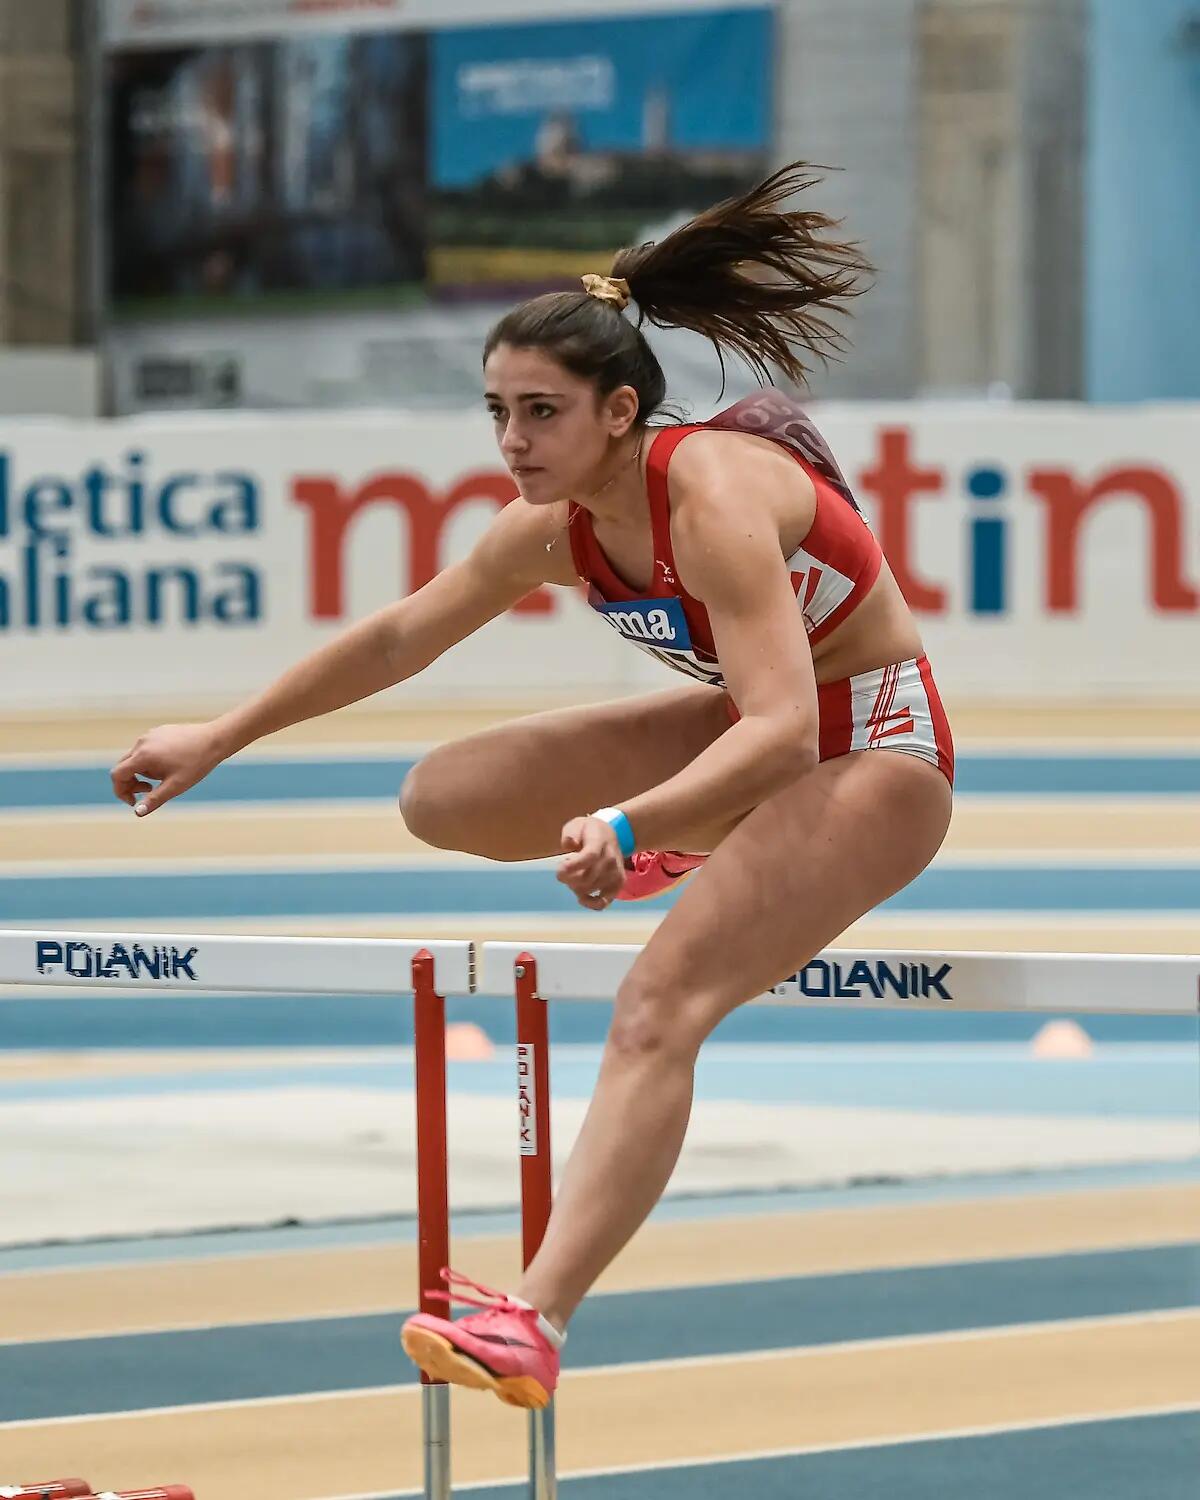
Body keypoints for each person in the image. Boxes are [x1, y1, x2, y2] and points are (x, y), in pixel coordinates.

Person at [110, 162, 954, 1412]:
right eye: (496, 410)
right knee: (443, 794)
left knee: (660, 1003)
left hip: (872, 751)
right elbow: (401, 637)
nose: (512, 442)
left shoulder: (713, 497)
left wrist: (631, 821)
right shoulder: (547, 525)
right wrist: (223, 734)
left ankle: (538, 1317)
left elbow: (783, 729)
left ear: (620, 413)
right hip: (742, 740)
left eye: (540, 414)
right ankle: (702, 844)